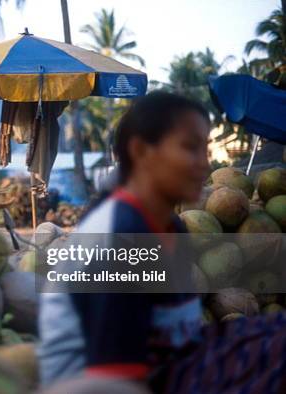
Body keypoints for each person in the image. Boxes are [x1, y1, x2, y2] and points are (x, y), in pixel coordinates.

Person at [37, 91, 286, 393]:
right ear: (142, 152)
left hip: (171, 363)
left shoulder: (169, 227)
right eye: (189, 148)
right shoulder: (124, 235)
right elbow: (116, 375)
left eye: (204, 150)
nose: (203, 165)